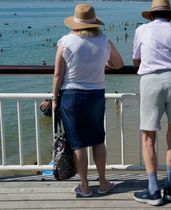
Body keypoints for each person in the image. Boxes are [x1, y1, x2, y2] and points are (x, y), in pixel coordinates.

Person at [52, 3, 124, 197]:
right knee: (98, 140)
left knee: (78, 143)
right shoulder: (104, 40)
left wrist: (54, 98)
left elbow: (58, 74)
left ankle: (84, 186)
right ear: (94, 22)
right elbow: (119, 64)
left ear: (75, 22)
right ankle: (102, 183)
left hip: (71, 95)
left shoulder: (65, 41)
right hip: (95, 95)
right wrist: (104, 62)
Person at [132, 0, 171, 205]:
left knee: (148, 137)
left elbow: (135, 61)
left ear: (150, 15)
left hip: (150, 82)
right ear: (170, 15)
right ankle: (170, 185)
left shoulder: (141, 30)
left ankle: (153, 189)